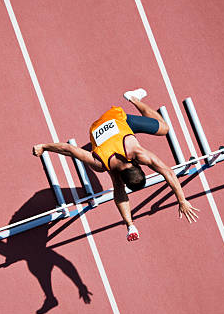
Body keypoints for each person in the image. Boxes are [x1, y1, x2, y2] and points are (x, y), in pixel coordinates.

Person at [32, 89, 199, 241]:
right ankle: (133, 98)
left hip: (111, 125)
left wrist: (183, 200)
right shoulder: (105, 161)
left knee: (162, 130)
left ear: (138, 166)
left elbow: (168, 171)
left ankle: (130, 225)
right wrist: (44, 147)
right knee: (164, 128)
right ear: (139, 164)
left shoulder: (136, 153)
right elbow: (68, 149)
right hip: (110, 121)